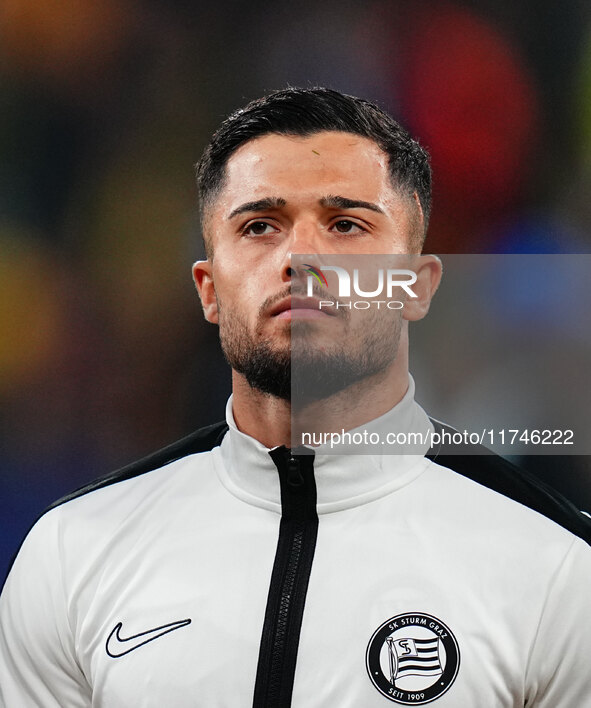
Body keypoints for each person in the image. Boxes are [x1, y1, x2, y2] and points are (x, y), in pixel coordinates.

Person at [1, 88, 590, 708]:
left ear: (416, 288)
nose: (301, 259)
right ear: (207, 288)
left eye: (345, 224)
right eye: (260, 226)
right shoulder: (73, 552)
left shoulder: (557, 567)